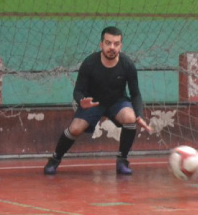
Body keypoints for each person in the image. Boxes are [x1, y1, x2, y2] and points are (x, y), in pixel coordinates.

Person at [43, 26, 151, 175]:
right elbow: (78, 91)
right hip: (92, 103)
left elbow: (135, 94)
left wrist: (139, 114)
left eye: (116, 43)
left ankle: (122, 161)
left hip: (117, 102)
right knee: (75, 129)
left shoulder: (127, 65)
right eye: (108, 43)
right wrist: (82, 101)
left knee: (130, 118)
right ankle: (54, 159)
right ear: (101, 44)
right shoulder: (89, 63)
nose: (111, 47)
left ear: (121, 46)